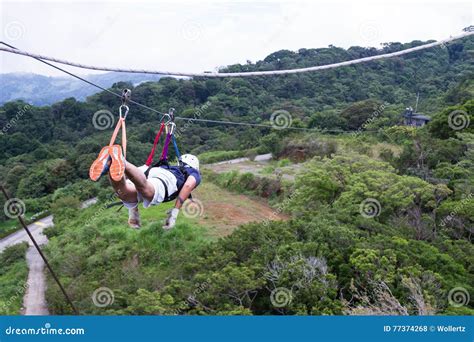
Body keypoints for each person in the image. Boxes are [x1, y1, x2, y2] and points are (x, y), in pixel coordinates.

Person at [89, 144, 201, 230]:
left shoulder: (172, 167)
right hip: (167, 179)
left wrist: (133, 213)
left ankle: (110, 162)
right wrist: (174, 213)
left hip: (151, 172)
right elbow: (188, 185)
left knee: (124, 193)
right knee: (147, 191)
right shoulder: (193, 172)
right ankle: (122, 161)